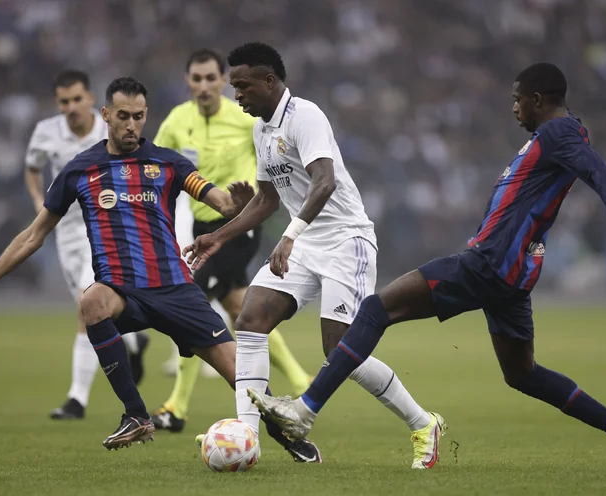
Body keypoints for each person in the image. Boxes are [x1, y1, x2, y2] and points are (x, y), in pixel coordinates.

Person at [245, 63, 606, 473]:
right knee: (522, 373)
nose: (514, 108)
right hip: (513, 274)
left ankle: (304, 411)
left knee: (375, 310)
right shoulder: (550, 138)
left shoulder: (558, 132)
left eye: (518, 100)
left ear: (537, 100)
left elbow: (598, 169)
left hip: (488, 262)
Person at [0, 76, 322, 462]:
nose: (132, 124)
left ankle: (287, 436)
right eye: (123, 116)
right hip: (122, 292)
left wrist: (234, 205)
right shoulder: (79, 170)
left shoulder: (166, 162)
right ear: (106, 115)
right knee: (91, 303)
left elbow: (217, 201)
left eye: (138, 116)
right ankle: (136, 414)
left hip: (176, 290)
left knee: (242, 375)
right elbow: (33, 236)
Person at [184, 42, 442, 470]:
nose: (238, 96)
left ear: (270, 82)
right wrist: (220, 237)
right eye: (235, 88)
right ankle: (247, 437)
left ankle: (423, 424)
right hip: (303, 242)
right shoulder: (261, 129)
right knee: (251, 318)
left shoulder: (305, 116)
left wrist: (288, 237)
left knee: (340, 349)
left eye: (243, 86)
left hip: (346, 241)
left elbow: (324, 183)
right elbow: (266, 199)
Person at [151, 49, 312, 433]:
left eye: (211, 78)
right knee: (243, 309)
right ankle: (301, 379)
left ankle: (177, 406)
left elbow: (281, 152)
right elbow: (155, 168)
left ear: (222, 81)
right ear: (187, 81)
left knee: (189, 304)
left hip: (240, 225)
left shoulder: (243, 119)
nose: (204, 86)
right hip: (202, 229)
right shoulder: (177, 121)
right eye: (197, 79)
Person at [24, 69, 148, 420]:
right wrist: (37, 197)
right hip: (66, 231)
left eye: (78, 99)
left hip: (104, 227)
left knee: (85, 306)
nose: (72, 107)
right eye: (64, 101)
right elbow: (32, 167)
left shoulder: (112, 129)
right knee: (97, 312)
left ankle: (76, 399)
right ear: (57, 103)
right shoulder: (46, 133)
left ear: (92, 100)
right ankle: (135, 341)